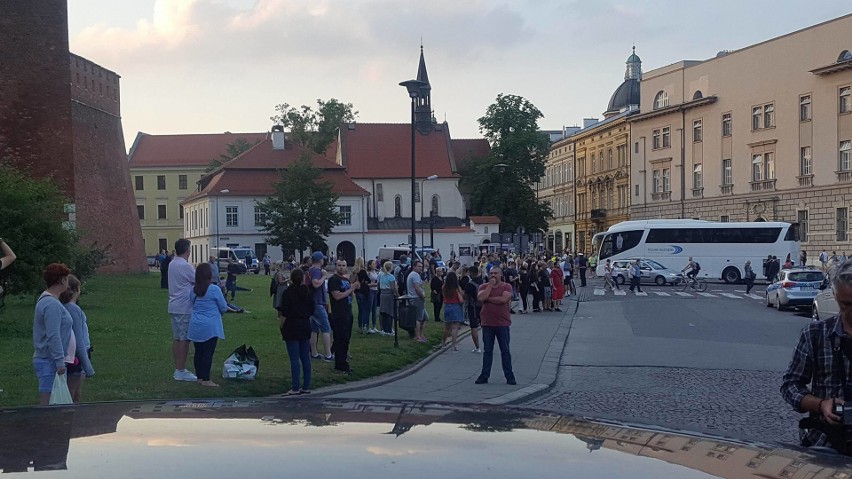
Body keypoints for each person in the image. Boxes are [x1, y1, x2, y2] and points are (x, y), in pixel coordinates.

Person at [781, 260, 852, 454]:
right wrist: (821, 405)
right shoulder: (815, 333)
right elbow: (790, 385)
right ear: (836, 297)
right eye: (847, 304)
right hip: (824, 443)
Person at [32, 263, 73, 405]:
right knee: (49, 404)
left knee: (54, 404)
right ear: (62, 280)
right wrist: (59, 361)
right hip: (49, 361)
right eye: (67, 279)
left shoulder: (50, 301)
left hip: (50, 360)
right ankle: (46, 427)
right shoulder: (51, 304)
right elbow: (53, 334)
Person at [474, 266, 516, 385]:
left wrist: (489, 298)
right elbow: (481, 298)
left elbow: (503, 299)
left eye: (495, 273)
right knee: (487, 351)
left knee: (505, 350)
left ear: (500, 275)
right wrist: (490, 286)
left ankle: (509, 376)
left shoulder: (506, 286)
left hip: (502, 323)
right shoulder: (483, 286)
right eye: (491, 273)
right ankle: (484, 375)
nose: (493, 275)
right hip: (487, 323)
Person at [188, 263, 227, 387]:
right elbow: (223, 307)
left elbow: (191, 302)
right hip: (210, 325)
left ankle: (199, 377)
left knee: (198, 352)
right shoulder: (214, 289)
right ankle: (206, 379)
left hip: (196, 324)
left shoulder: (194, 290)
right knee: (208, 353)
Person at [278, 268, 314, 395]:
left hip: (291, 325)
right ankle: (306, 385)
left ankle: (295, 387)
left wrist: (281, 326)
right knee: (305, 357)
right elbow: (312, 310)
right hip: (305, 324)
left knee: (294, 358)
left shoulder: (288, 293)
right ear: (303, 278)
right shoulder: (308, 293)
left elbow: (284, 313)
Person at [60, 275, 94, 402]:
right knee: (73, 393)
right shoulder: (73, 309)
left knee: (74, 392)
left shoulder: (65, 307)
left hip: (77, 352)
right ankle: (69, 419)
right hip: (80, 353)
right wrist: (88, 366)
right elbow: (78, 337)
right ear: (76, 290)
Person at [167, 239, 197, 382]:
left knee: (177, 338)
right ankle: (180, 370)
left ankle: (178, 367)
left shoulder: (173, 263)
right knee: (184, 340)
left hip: (173, 305)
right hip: (184, 307)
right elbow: (198, 281)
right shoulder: (186, 266)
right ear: (187, 250)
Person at [328, 259, 359, 374]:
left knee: (345, 339)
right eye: (339, 265)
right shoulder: (334, 280)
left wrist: (353, 288)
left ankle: (342, 361)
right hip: (339, 313)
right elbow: (337, 296)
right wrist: (351, 288)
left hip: (348, 311)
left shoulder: (345, 279)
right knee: (341, 339)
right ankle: (341, 364)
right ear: (336, 266)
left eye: (343, 265)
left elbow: (350, 295)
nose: (341, 267)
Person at [308, 251, 333, 361]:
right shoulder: (316, 271)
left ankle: (314, 353)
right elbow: (316, 284)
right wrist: (324, 276)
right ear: (319, 260)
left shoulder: (311, 270)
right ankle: (328, 354)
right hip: (317, 303)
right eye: (322, 259)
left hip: (313, 303)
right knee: (326, 328)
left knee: (314, 329)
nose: (324, 260)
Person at [441, 271, 465, 351]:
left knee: (447, 327)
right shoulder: (456, 288)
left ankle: (443, 343)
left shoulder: (444, 287)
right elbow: (461, 300)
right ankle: (453, 346)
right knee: (455, 328)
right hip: (456, 307)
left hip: (447, 306)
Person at [407, 260, 429, 342]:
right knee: (419, 318)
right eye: (419, 266)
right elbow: (417, 287)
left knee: (425, 318)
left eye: (421, 266)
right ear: (414, 267)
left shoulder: (415, 275)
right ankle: (418, 336)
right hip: (416, 299)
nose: (420, 268)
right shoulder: (415, 275)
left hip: (417, 299)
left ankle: (421, 334)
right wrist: (422, 296)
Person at [464, 266, 484, 352]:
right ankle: (487, 344)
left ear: (471, 273)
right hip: (484, 306)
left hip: (473, 307)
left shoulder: (469, 284)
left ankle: (477, 347)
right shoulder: (483, 282)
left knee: (474, 327)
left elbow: (466, 297)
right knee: (485, 326)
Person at [378, 260, 398, 336]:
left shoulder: (381, 276)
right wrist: (397, 294)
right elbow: (393, 288)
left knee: (383, 312)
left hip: (382, 294)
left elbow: (378, 285)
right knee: (389, 312)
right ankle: (389, 329)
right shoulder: (391, 277)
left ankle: (383, 329)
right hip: (389, 295)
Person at [353, 257, 371, 334]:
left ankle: (360, 327)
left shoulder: (354, 271)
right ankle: (366, 326)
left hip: (357, 291)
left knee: (360, 310)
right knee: (366, 310)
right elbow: (368, 280)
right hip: (364, 291)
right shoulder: (363, 271)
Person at [366, 259, 380, 333]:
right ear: (370, 265)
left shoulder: (376, 272)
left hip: (375, 291)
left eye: (375, 264)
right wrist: (374, 284)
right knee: (369, 309)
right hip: (370, 290)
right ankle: (367, 326)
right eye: (373, 264)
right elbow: (366, 284)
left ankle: (374, 326)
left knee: (374, 309)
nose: (375, 265)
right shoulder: (368, 273)